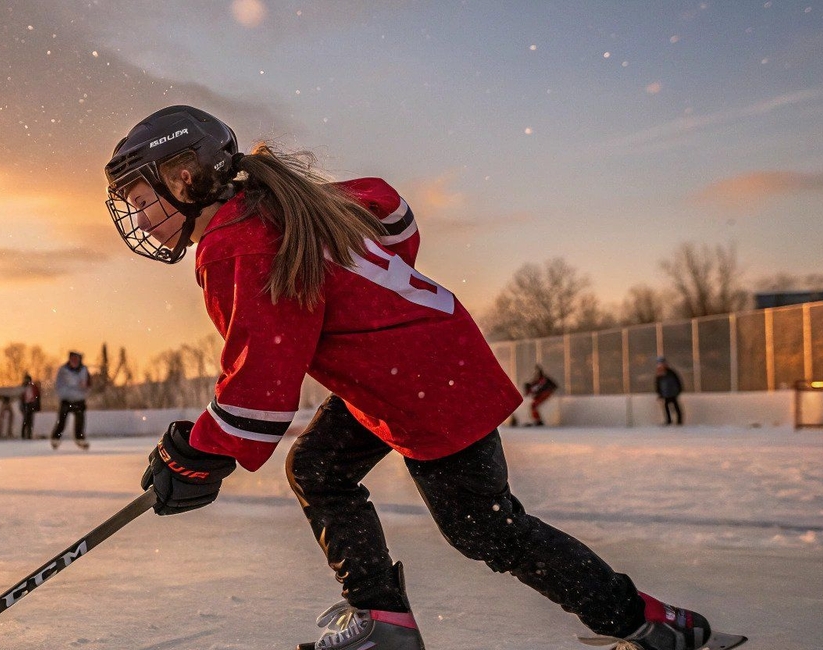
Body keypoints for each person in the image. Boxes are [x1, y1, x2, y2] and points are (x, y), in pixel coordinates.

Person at [105, 105, 743, 650]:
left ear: (186, 179)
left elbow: (262, 388)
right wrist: (375, 306)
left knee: (486, 529)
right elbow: (391, 208)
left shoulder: (237, 243)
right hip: (417, 363)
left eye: (141, 198)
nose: (139, 217)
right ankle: (381, 618)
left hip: (426, 382)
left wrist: (195, 454)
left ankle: (652, 624)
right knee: (319, 470)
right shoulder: (278, 204)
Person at [50, 351, 91, 451]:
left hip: (79, 399)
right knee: (62, 420)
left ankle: (80, 439)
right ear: (69, 359)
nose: (75, 361)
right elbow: (58, 384)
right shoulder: (63, 370)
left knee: (80, 421)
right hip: (66, 399)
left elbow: (89, 383)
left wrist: (85, 388)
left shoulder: (84, 369)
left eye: (77, 359)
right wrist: (62, 393)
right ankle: (55, 438)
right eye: (73, 359)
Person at [656, 357, 684, 426]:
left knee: (675, 406)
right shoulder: (659, 374)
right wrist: (660, 394)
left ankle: (679, 420)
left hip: (673, 393)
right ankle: (668, 420)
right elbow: (658, 385)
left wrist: (678, 390)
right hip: (665, 394)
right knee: (666, 407)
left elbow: (677, 382)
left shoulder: (671, 373)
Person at [19, 373, 42, 440]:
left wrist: (37, 405)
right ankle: (23, 434)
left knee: (30, 420)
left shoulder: (33, 387)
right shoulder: (23, 387)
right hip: (26, 404)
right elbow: (21, 397)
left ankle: (29, 434)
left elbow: (37, 396)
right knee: (26, 419)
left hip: (32, 404)